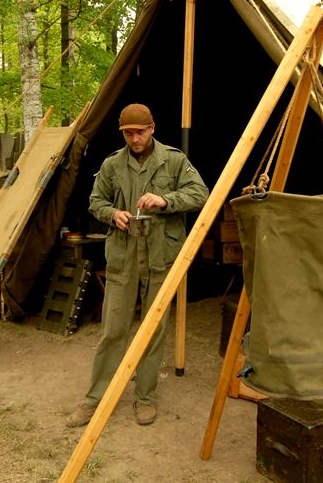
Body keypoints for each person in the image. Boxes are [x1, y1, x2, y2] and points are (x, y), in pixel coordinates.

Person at [66, 103, 209, 427]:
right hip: (123, 256)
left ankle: (145, 396)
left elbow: (200, 193)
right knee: (113, 329)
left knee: (153, 329)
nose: (134, 139)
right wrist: (111, 214)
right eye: (128, 134)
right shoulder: (112, 165)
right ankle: (95, 398)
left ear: (152, 128)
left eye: (139, 132)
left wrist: (165, 200)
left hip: (160, 255)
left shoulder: (173, 160)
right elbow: (95, 201)